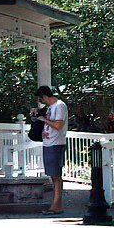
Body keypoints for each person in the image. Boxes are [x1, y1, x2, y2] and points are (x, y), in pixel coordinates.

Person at [34, 85, 68, 214]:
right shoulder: (50, 108)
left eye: (41, 99)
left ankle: (57, 206)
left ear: (44, 96)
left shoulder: (60, 106)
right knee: (53, 176)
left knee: (56, 175)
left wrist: (44, 120)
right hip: (48, 143)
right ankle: (55, 205)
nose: (42, 101)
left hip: (56, 144)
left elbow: (58, 125)